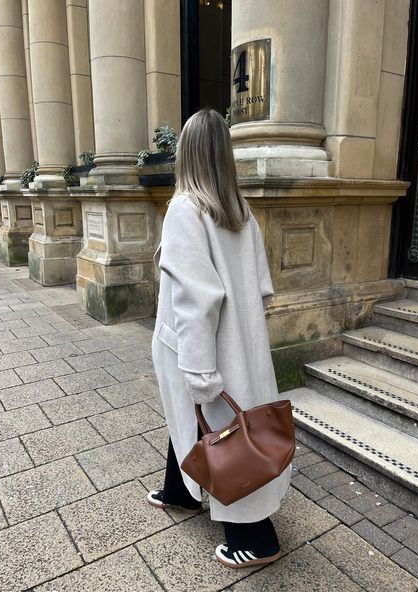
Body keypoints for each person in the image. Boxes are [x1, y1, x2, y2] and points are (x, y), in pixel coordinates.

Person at [148, 108, 290, 568]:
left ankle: (256, 539)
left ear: (185, 153)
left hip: (203, 347)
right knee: (193, 421)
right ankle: (181, 491)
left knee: (228, 437)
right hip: (242, 342)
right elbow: (262, 287)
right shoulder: (239, 210)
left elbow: (196, 299)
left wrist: (199, 370)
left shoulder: (185, 209)